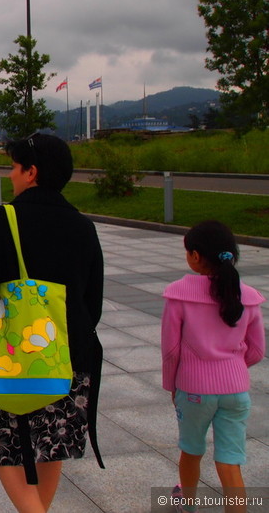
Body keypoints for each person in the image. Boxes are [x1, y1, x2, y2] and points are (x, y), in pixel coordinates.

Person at [0, 133, 105, 512]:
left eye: (14, 167)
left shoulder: (2, 219)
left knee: (4, 447)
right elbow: (94, 302)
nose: (11, 175)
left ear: (32, 171)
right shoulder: (83, 227)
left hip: (12, 357)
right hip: (69, 356)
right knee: (51, 444)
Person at [162, 220, 265, 513]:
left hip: (194, 390)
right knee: (230, 461)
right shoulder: (248, 296)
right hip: (236, 391)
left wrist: (173, 385)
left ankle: (188, 504)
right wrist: (232, 368)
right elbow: (257, 350)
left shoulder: (178, 293)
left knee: (191, 451)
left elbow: (170, 351)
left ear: (195, 255)